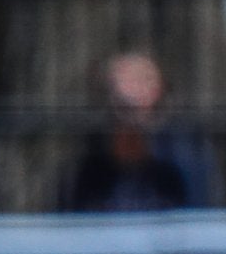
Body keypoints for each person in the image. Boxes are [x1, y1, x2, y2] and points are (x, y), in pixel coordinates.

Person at [61, 51, 210, 213]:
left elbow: (197, 216)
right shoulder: (88, 164)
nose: (131, 92)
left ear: (160, 91)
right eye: (124, 81)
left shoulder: (184, 157)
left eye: (143, 80)